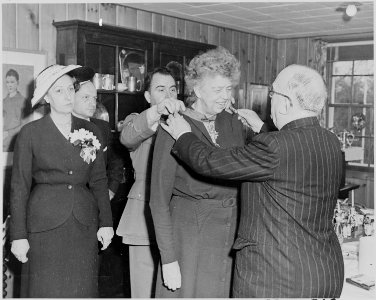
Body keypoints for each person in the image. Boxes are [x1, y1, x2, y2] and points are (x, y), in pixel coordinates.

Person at [161, 64, 345, 298]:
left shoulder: (275, 147)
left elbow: (210, 161)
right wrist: (262, 128)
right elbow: (291, 164)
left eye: (273, 94)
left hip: (277, 280)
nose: (271, 101)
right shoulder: (329, 140)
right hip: (322, 274)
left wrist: (182, 135)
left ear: (286, 101)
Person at [150, 47, 250, 298]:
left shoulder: (233, 122)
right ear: (196, 90)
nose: (225, 97)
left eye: (229, 89)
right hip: (189, 236)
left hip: (228, 235)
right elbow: (158, 200)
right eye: (217, 90)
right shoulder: (174, 124)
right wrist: (168, 259)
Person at [10, 64, 114, 298]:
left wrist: (106, 223)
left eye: (70, 89)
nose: (68, 96)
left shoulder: (91, 131)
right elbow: (19, 188)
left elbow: (99, 180)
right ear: (46, 97)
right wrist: (18, 236)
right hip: (43, 226)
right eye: (59, 91)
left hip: (83, 226)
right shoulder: (30, 134)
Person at [116, 67, 186, 298]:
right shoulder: (138, 121)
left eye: (173, 89)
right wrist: (157, 112)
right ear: (148, 97)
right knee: (144, 291)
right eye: (160, 89)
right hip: (143, 221)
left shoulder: (185, 125)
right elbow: (127, 137)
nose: (168, 95)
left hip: (178, 218)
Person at [70, 67, 125, 297]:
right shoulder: (60, 126)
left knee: (94, 270)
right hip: (70, 209)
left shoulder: (101, 128)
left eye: (94, 98)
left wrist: (110, 190)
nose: (92, 103)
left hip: (98, 209)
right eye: (86, 97)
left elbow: (115, 162)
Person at [3, 69, 29, 151]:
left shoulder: (23, 101)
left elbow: (25, 125)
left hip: (16, 141)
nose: (9, 85)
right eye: (7, 82)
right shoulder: (3, 101)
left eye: (12, 82)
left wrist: (8, 133)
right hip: (3, 141)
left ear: (17, 83)